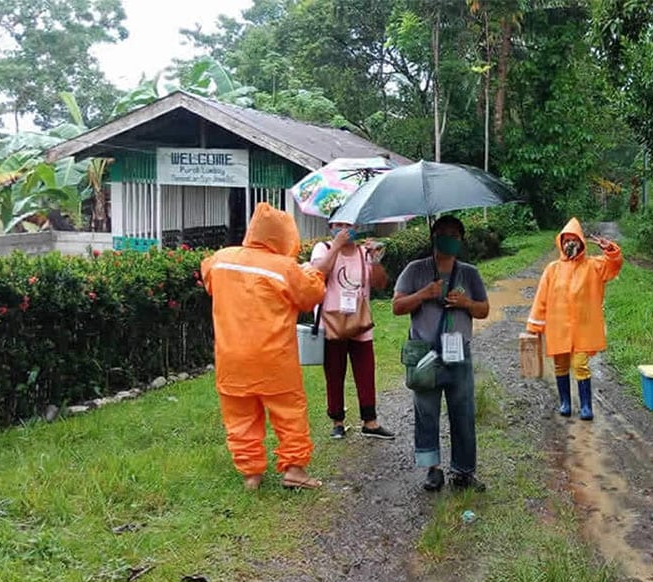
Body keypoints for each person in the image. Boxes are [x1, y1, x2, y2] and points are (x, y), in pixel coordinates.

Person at [200, 202, 327, 490]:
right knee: (289, 413)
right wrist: (313, 272)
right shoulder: (284, 268)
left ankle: (251, 476)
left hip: (231, 360)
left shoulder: (221, 259)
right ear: (284, 236)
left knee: (240, 418)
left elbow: (207, 274)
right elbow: (311, 296)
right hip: (274, 360)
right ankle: (295, 470)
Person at [392, 215, 491, 491]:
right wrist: (423, 293)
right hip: (425, 354)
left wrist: (466, 302)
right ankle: (432, 469)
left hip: (459, 354)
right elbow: (397, 307)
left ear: (461, 240)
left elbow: (484, 310)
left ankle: (463, 471)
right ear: (433, 237)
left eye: (455, 235)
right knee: (426, 413)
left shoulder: (469, 273)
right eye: (443, 233)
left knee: (463, 413)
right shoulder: (415, 270)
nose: (449, 238)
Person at [525, 217, 622, 420]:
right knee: (560, 365)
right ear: (560, 243)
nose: (570, 243)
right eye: (566, 239)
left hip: (583, 328)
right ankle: (565, 403)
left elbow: (614, 266)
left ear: (581, 242)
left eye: (574, 239)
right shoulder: (552, 269)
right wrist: (534, 325)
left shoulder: (594, 266)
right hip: (558, 327)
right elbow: (541, 298)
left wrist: (610, 249)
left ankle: (586, 406)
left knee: (580, 364)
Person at [309, 223, 396, 440]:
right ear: (330, 226)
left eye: (348, 224)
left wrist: (375, 260)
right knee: (334, 372)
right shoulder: (322, 248)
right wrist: (336, 246)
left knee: (366, 371)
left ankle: (370, 421)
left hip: (359, 320)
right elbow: (317, 274)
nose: (344, 228)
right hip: (332, 322)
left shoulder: (363, 252)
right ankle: (337, 421)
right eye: (339, 224)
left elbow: (381, 284)